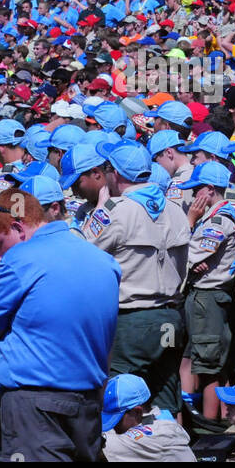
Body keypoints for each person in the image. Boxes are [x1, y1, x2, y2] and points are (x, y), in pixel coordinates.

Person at [0, 188, 121, 462]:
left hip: (34, 406)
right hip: (86, 401)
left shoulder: (20, 260)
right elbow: (107, 338)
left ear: (18, 228)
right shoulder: (105, 262)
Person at [80, 139, 190, 419]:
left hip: (132, 320)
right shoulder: (175, 210)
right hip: (170, 317)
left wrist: (98, 209)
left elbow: (80, 252)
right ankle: (172, 447)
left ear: (114, 174)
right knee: (166, 393)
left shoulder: (116, 210)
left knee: (119, 396)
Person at [178, 160, 235, 421]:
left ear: (209, 189)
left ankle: (208, 426)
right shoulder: (216, 216)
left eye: (197, 190)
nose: (193, 196)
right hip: (205, 297)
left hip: (208, 298)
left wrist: (189, 222)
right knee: (204, 361)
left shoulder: (218, 219)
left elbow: (185, 252)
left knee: (209, 366)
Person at [100, 374, 195, 462]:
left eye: (117, 419)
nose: (113, 426)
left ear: (137, 412)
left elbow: (93, 446)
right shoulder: (157, 416)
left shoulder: (155, 435)